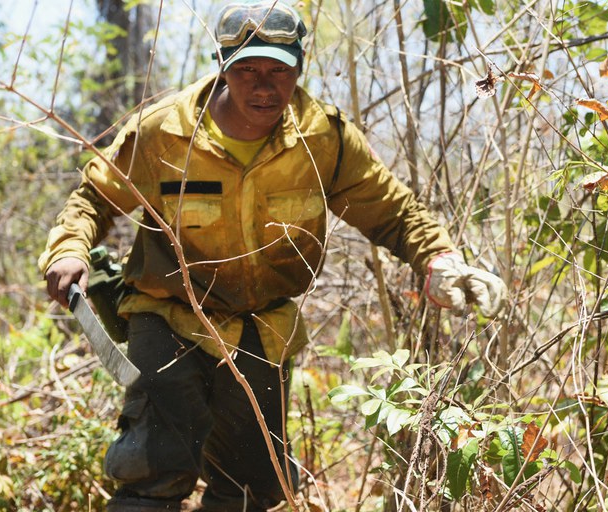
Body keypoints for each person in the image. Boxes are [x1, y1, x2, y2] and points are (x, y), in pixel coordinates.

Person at [39, 1, 507, 510]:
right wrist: (69, 251)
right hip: (168, 314)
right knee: (157, 466)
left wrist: (438, 259)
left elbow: (390, 211)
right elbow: (95, 198)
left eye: (278, 71)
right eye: (247, 70)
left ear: (298, 68)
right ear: (223, 67)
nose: (263, 86)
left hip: (261, 327)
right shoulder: (164, 132)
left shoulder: (322, 138)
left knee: (252, 489)